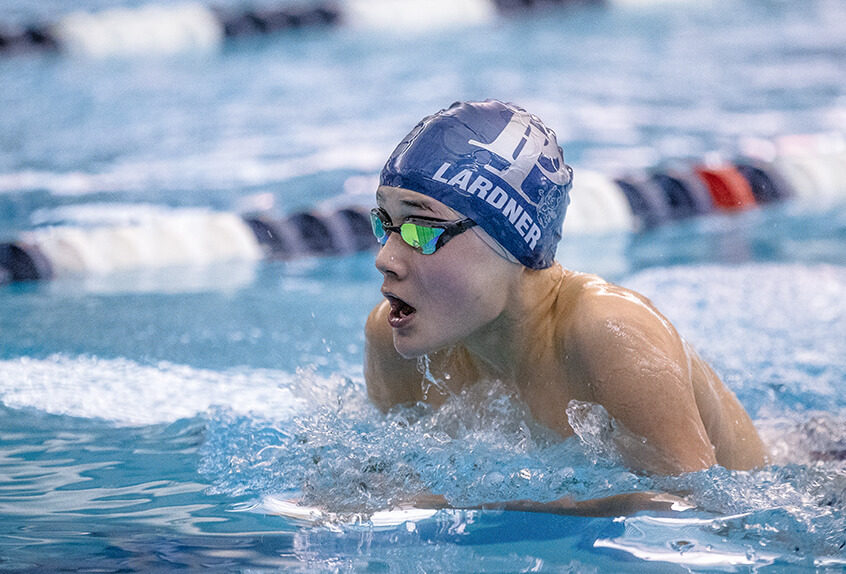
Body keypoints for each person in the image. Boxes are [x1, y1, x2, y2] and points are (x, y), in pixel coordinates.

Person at [363, 100, 767, 513]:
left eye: (420, 231)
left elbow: (697, 515)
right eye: (385, 224)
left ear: (512, 241)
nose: (385, 258)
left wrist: (478, 509)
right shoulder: (395, 342)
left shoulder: (610, 335)